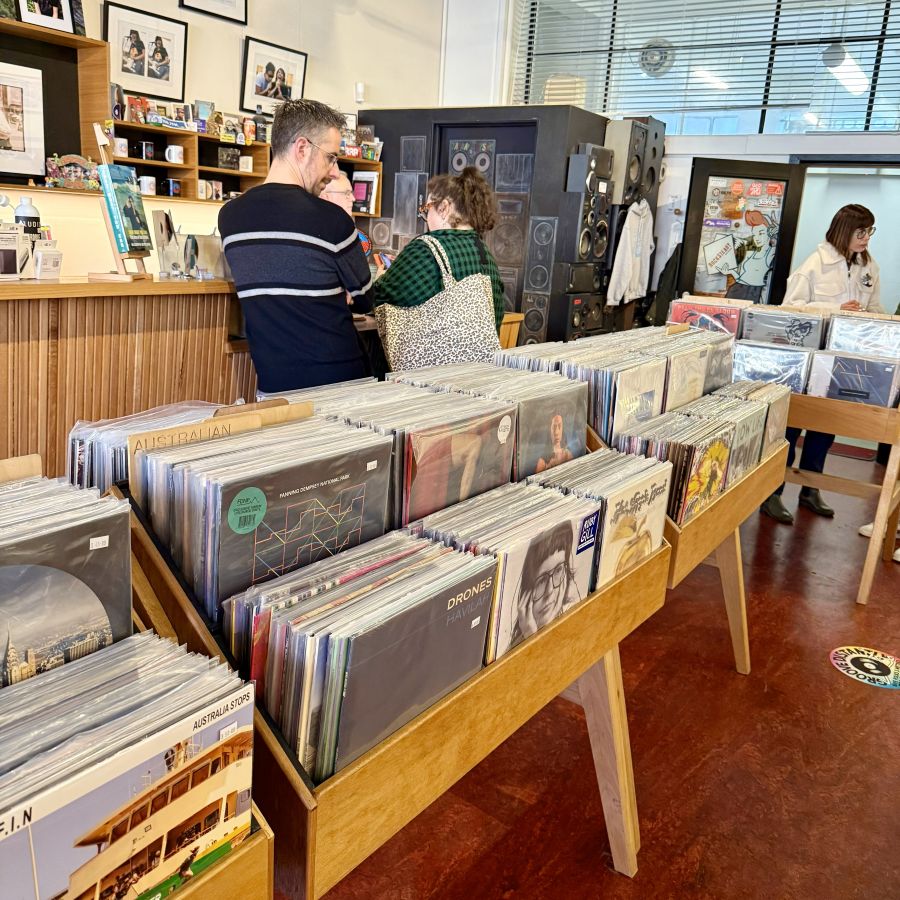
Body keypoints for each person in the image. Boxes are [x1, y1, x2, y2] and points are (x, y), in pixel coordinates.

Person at [218, 99, 373, 393]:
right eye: (331, 157)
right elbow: (366, 298)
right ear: (302, 148)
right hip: (341, 385)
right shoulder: (332, 220)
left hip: (274, 387)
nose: (334, 171)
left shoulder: (230, 217)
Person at [760, 204, 882, 525]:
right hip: (807, 362)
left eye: (870, 231)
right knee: (791, 425)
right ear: (844, 231)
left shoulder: (869, 267)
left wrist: (869, 318)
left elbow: (876, 308)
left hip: (843, 361)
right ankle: (772, 493)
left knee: (825, 427)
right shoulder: (814, 264)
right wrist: (834, 308)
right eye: (861, 232)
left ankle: (810, 489)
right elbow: (790, 310)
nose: (866, 238)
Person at [372, 167, 505, 333]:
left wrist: (380, 278)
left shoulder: (426, 249)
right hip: (481, 358)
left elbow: (380, 299)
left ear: (443, 208)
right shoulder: (485, 253)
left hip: (434, 359)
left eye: (427, 209)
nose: (426, 218)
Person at [508, 521, 579, 652]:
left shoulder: (571, 619)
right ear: (526, 593)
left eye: (558, 570)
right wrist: (531, 636)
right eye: (541, 581)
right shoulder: (511, 649)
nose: (550, 591)